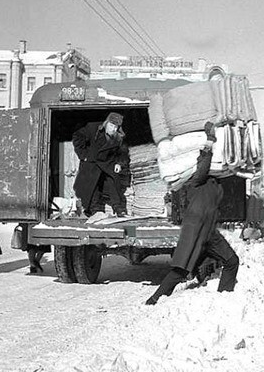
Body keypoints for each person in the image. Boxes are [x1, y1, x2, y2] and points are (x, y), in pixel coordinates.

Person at [145, 122, 239, 305]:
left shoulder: (212, 182)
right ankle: (154, 300)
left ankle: (225, 298)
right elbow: (203, 165)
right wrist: (210, 141)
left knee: (231, 261)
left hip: (208, 232)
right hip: (196, 230)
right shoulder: (195, 181)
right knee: (181, 270)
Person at [72, 113, 130, 217]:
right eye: (111, 126)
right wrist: (83, 154)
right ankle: (95, 210)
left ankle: (119, 209)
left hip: (108, 162)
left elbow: (123, 152)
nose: (113, 129)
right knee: (93, 185)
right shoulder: (93, 128)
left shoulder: (119, 137)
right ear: (106, 123)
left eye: (116, 127)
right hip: (92, 161)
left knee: (114, 182)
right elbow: (77, 136)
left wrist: (119, 163)